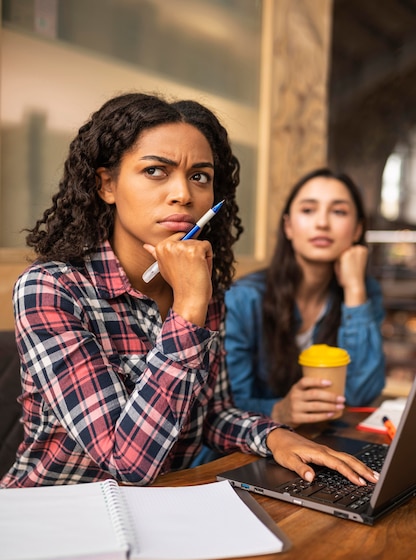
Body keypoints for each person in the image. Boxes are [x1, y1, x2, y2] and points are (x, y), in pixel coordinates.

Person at [0, 96, 378, 490]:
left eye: (199, 176)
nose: (183, 193)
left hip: (163, 508)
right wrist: (189, 308)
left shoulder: (200, 286)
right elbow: (126, 461)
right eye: (155, 171)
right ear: (107, 185)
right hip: (57, 514)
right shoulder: (51, 288)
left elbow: (209, 413)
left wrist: (273, 435)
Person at [225, 168, 385, 427]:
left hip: (321, 444)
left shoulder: (365, 292)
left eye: (339, 211)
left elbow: (360, 395)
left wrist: (354, 289)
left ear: (357, 229)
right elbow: (225, 405)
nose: (322, 223)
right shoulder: (243, 299)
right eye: (308, 210)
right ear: (288, 226)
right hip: (246, 452)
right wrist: (278, 411)